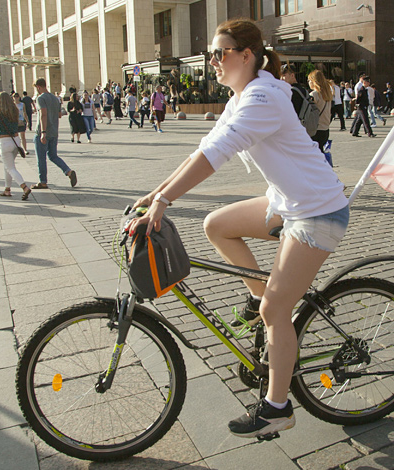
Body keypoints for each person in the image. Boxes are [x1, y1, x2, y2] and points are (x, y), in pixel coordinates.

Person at [126, 18, 349, 440]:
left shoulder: (262, 97)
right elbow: (202, 149)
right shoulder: (244, 95)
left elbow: (215, 157)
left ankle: (277, 407)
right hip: (290, 203)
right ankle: (264, 302)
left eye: (220, 53)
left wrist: (164, 200)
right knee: (217, 225)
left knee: (275, 312)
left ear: (246, 55)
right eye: (211, 54)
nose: (212, 61)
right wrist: (153, 194)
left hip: (319, 212)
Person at [31, 78, 77, 190]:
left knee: (41, 158)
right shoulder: (55, 98)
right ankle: (68, 171)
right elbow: (59, 115)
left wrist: (43, 132)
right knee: (52, 155)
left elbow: (43, 114)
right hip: (54, 131)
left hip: (44, 131)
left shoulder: (40, 98)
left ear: (38, 87)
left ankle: (43, 181)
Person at [0, 92, 32, 200]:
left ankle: (24, 187)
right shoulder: (15, 111)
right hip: (16, 140)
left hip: (5, 142)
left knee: (10, 167)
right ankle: (7, 189)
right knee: (7, 166)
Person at [307, 70, 333, 159]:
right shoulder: (327, 93)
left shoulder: (314, 94)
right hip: (325, 128)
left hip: (316, 129)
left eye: (309, 80)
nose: (309, 82)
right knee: (319, 152)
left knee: (313, 155)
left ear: (314, 81)